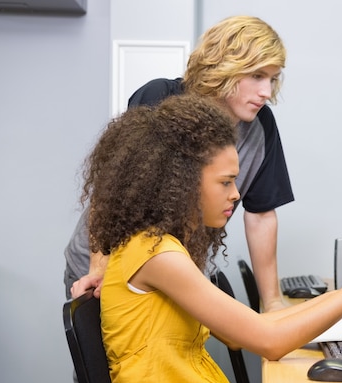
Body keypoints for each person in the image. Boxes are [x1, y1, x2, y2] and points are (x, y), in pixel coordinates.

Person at [82, 92, 342, 383]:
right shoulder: (157, 255)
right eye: (225, 182)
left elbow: (246, 331)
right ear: (180, 181)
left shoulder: (158, 247)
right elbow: (269, 342)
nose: (236, 193)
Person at [66, 15, 293, 312]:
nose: (266, 92)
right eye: (257, 76)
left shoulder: (261, 126)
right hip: (105, 268)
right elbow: (112, 190)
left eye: (272, 79)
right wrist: (98, 267)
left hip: (173, 274)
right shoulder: (160, 98)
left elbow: (261, 215)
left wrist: (273, 302)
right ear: (224, 66)